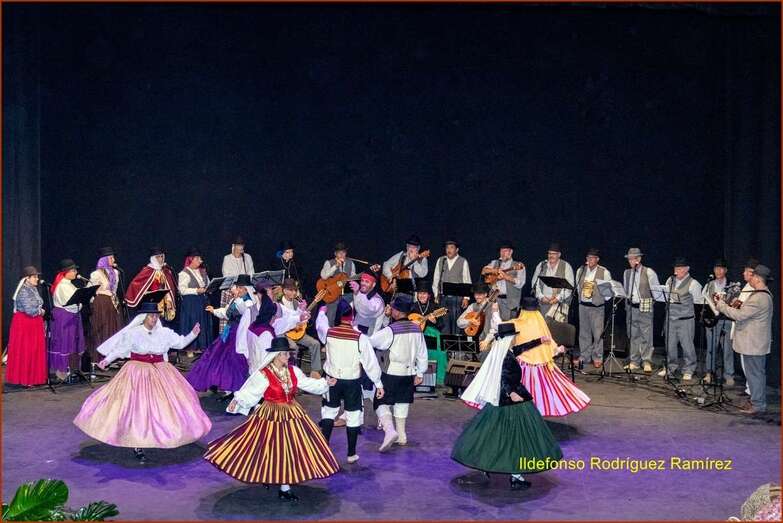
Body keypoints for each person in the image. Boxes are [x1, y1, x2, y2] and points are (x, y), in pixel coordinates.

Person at [73, 300, 212, 463]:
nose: (154, 319)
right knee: (137, 406)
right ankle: (137, 441)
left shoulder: (164, 333)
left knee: (167, 405)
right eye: (151, 316)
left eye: (156, 316)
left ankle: (164, 434)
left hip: (161, 370)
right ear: (143, 317)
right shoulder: (134, 333)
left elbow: (180, 343)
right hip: (138, 370)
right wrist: (107, 360)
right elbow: (120, 349)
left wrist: (193, 334)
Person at [204, 337, 340, 501]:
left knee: (289, 450)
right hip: (270, 414)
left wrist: (326, 383)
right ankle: (270, 477)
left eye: (288, 354)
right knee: (266, 448)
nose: (287, 357)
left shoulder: (292, 371)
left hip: (292, 414)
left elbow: (307, 384)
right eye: (284, 354)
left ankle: (284, 486)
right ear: (275, 355)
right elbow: (251, 392)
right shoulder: (264, 374)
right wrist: (237, 401)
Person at [452, 322, 563, 491]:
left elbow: (521, 348)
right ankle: (515, 477)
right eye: (514, 336)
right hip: (510, 400)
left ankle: (488, 466)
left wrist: (539, 340)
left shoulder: (505, 351)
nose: (516, 339)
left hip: (502, 399)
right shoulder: (505, 357)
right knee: (515, 439)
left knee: (492, 435)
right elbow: (503, 378)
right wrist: (510, 392)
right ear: (508, 338)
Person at [314, 299, 384, 464]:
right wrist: (379, 383)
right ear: (352, 318)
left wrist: (322, 311)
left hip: (332, 381)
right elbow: (370, 363)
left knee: (329, 413)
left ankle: (324, 450)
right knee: (353, 416)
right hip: (352, 382)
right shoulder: (360, 338)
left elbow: (320, 325)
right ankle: (351, 454)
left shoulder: (329, 333)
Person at [504, 297, 590, 417]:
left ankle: (523, 409)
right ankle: (537, 408)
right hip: (538, 365)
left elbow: (501, 328)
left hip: (522, 364)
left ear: (522, 310)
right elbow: (549, 342)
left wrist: (495, 313)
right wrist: (557, 349)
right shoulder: (540, 323)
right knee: (543, 390)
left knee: (517, 385)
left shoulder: (517, 323)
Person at [369, 295, 429, 451]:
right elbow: (422, 353)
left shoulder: (391, 330)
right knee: (402, 402)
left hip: (391, 372)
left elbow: (371, 341)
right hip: (409, 372)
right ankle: (402, 436)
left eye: (393, 308)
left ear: (397, 312)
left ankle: (390, 431)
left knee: (380, 402)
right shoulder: (417, 328)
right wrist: (420, 373)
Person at [714, 264, 773, 415]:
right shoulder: (761, 294)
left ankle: (758, 405)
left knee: (755, 374)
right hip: (754, 343)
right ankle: (755, 401)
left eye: (752, 276)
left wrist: (721, 305)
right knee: (755, 374)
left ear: (758, 278)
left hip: (753, 343)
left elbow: (739, 315)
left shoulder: (759, 297)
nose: (750, 278)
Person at [186, 274, 257, 395]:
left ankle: (235, 388)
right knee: (215, 356)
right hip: (229, 332)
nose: (238, 290)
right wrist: (214, 310)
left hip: (239, 335)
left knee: (234, 360)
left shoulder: (249, 303)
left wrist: (236, 297)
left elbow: (243, 312)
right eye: (237, 287)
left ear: (247, 289)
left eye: (241, 288)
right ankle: (219, 383)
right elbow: (227, 313)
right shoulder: (236, 299)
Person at [658, 258, 703, 382]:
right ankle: (670, 367)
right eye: (676, 268)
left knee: (687, 345)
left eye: (680, 268)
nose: (677, 271)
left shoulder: (694, 283)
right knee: (670, 345)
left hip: (685, 320)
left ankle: (689, 369)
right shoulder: (670, 280)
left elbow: (698, 302)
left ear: (687, 269)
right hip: (670, 318)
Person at [6, 266, 47, 386]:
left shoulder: (33, 289)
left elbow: (38, 304)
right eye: (34, 277)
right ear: (27, 278)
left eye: (37, 276)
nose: (37, 279)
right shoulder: (24, 291)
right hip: (25, 323)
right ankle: (26, 379)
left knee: (34, 349)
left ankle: (33, 378)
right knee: (26, 349)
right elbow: (30, 310)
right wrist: (41, 311)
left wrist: (39, 310)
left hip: (33, 323)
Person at [623, 247, 660, 373]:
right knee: (633, 335)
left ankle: (646, 361)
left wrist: (650, 303)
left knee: (646, 335)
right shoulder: (627, 273)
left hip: (644, 306)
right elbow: (626, 290)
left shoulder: (649, 272)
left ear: (639, 259)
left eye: (633, 259)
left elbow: (656, 293)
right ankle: (634, 361)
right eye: (629, 259)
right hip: (631, 307)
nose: (631, 261)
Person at [278, 278, 324, 378]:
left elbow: (302, 319)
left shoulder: (297, 302)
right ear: (284, 291)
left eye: (295, 290)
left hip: (298, 333)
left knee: (315, 344)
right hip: (286, 334)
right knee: (293, 347)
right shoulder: (279, 305)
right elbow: (280, 323)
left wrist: (305, 319)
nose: (294, 292)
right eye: (291, 290)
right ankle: (293, 374)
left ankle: (315, 372)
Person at [574, 248, 611, 369]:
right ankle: (585, 356)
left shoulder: (604, 272)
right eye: (588, 258)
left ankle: (597, 357)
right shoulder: (581, 270)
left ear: (597, 259)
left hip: (596, 308)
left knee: (597, 334)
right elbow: (578, 288)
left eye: (592, 258)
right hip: (583, 306)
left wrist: (600, 300)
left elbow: (608, 292)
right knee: (584, 333)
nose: (589, 260)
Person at [49, 259, 86, 381]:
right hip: (64, 317)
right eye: (73, 270)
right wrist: (80, 304)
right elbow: (68, 303)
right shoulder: (63, 286)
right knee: (64, 341)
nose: (76, 272)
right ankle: (62, 370)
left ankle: (72, 368)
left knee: (72, 341)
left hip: (71, 316)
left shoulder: (69, 284)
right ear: (66, 272)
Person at [87, 246, 123, 364]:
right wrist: (93, 304)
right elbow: (90, 290)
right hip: (101, 303)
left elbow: (115, 289)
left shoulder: (116, 273)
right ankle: (99, 358)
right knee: (103, 329)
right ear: (105, 260)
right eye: (111, 258)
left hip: (112, 302)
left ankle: (111, 358)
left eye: (113, 258)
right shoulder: (96, 274)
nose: (113, 260)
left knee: (113, 328)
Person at [701, 258, 735, 386]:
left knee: (727, 349)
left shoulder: (731, 285)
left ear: (725, 270)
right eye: (716, 268)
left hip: (726, 320)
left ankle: (729, 375)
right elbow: (702, 299)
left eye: (721, 268)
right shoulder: (709, 284)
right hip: (712, 320)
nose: (718, 271)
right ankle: (709, 372)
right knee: (711, 348)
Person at [125, 247, 177, 324]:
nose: (161, 259)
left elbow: (168, 288)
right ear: (153, 258)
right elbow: (137, 284)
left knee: (163, 325)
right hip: (151, 304)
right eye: (158, 257)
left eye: (162, 256)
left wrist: (169, 300)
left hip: (164, 304)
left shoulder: (166, 271)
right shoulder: (148, 270)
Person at [178, 247, 214, 353]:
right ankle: (191, 348)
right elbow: (182, 290)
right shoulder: (184, 273)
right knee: (193, 323)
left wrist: (209, 288)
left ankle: (203, 346)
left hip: (202, 301)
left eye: (200, 258)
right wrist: (196, 290)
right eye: (198, 259)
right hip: (191, 303)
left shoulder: (202, 271)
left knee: (203, 323)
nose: (200, 261)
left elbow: (207, 283)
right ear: (191, 259)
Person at [432, 239, 471, 334]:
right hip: (443, 297)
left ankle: (456, 347)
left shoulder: (462, 261)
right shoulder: (441, 260)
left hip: (457, 298)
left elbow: (467, 279)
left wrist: (466, 298)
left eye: (451, 247)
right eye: (447, 248)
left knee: (456, 324)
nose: (449, 250)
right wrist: (436, 294)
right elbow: (436, 278)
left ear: (457, 250)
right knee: (444, 324)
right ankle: (445, 347)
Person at [530, 242, 574, 322]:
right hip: (544, 303)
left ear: (559, 255)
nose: (551, 256)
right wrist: (541, 297)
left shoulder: (566, 266)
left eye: (554, 254)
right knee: (544, 329)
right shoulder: (542, 265)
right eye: (549, 253)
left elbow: (569, 288)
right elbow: (535, 283)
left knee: (558, 330)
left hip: (559, 305)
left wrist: (557, 298)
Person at [482, 241, 526, 320]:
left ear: (511, 252)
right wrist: (494, 271)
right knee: (492, 324)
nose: (503, 253)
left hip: (509, 302)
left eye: (505, 251)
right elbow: (484, 271)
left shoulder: (518, 265)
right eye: (501, 251)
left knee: (507, 327)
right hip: (494, 300)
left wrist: (506, 277)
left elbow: (520, 283)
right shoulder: (495, 262)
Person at [457, 282, 501, 359]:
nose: (477, 296)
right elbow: (459, 322)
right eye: (476, 294)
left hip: (488, 340)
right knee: (461, 351)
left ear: (486, 294)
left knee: (484, 352)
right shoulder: (472, 306)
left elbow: (495, 327)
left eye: (480, 294)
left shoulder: (492, 307)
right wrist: (470, 321)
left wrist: (487, 341)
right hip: (474, 340)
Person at [220, 236, 255, 331]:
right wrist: (235, 289)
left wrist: (247, 288)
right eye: (239, 245)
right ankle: (227, 334)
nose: (241, 248)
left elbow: (251, 273)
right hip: (233, 289)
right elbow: (226, 276)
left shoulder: (247, 257)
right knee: (231, 315)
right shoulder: (227, 258)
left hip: (246, 289)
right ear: (234, 246)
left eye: (242, 245)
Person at [320, 241, 357, 326]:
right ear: (335, 253)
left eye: (343, 252)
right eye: (339, 253)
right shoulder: (329, 262)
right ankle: (329, 333)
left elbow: (353, 277)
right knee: (330, 318)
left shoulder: (351, 263)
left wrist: (354, 279)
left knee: (358, 301)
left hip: (347, 295)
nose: (341, 255)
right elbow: (324, 276)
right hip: (333, 295)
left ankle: (350, 329)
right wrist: (335, 266)